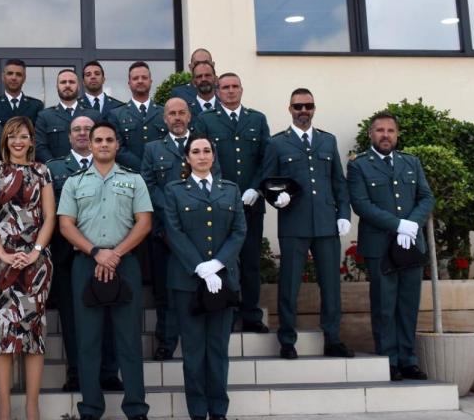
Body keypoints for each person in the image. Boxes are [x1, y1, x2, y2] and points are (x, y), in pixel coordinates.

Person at [58, 122, 152, 420]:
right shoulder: (74, 182)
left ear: (117, 145)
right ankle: (90, 409)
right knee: (88, 341)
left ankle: (136, 409)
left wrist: (115, 254)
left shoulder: (134, 180)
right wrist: (97, 253)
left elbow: (144, 222)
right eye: (97, 140)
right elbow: (65, 225)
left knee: (128, 340)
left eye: (108, 140)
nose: (102, 144)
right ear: (90, 144)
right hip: (86, 263)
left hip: (125, 262)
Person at [261, 88, 354, 360]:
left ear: (314, 109)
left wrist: (343, 214)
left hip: (326, 223)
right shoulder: (277, 143)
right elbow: (268, 181)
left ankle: (333, 338)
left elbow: (338, 180)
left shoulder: (327, 141)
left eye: (308, 106)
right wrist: (275, 199)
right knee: (289, 284)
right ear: (289, 109)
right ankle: (287, 339)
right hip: (294, 223)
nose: (304, 111)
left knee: (331, 285)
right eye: (298, 106)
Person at [347, 112, 435, 381]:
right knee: (384, 305)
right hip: (380, 245)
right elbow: (361, 204)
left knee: (408, 304)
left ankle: (408, 360)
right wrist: (398, 225)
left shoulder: (411, 162)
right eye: (380, 130)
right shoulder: (359, 165)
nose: (385, 135)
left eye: (390, 131)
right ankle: (389, 360)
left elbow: (426, 197)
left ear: (397, 135)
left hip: (410, 245)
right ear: (370, 135)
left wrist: (413, 224)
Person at [163, 137, 246, 420]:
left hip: (223, 281)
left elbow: (239, 231)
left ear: (213, 156)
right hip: (189, 281)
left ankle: (219, 411)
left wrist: (217, 263)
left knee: (218, 350)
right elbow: (173, 232)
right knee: (194, 352)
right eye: (195, 151)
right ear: (187, 158)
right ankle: (198, 412)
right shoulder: (174, 191)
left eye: (206, 151)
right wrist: (200, 267)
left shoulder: (230, 190)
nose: (201, 156)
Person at [0, 116, 55, 420]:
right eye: (13, 136)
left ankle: (32, 407)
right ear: (5, 140)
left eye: (23, 136)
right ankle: (5, 407)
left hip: (36, 262)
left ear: (32, 140)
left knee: (34, 333)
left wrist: (35, 252)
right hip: (0, 262)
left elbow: (50, 216)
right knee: (2, 331)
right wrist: (3, 254)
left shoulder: (42, 171)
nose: (18, 141)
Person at [46, 116, 122, 392]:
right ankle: (77, 372)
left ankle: (109, 372)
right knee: (73, 318)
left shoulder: (116, 170)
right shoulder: (54, 169)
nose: (81, 134)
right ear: (69, 137)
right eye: (76, 130)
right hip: (70, 257)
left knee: (111, 313)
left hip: (110, 256)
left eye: (87, 130)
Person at [192, 72, 271, 333]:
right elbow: (205, 159)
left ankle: (251, 314)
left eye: (235, 86)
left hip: (251, 203)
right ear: (217, 90)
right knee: (222, 258)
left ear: (242, 89)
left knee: (250, 260)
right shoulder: (206, 120)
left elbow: (265, 159)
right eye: (225, 87)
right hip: (220, 204)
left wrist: (256, 189)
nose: (230, 91)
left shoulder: (257, 119)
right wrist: (224, 193)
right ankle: (226, 308)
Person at [141, 97, 211, 361]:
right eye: (172, 113)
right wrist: (173, 209)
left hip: (198, 235)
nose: (178, 117)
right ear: (165, 118)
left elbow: (213, 180)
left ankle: (198, 340)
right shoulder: (152, 149)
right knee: (165, 291)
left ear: (190, 116)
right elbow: (147, 185)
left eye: (182, 112)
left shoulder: (202, 146)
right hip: (164, 233)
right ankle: (166, 341)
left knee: (197, 285)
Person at [108, 61, 169, 171]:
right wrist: (142, 167)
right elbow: (117, 148)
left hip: (160, 174)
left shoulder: (164, 112)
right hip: (129, 174)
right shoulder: (116, 115)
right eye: (135, 78)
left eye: (144, 78)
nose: (140, 81)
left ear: (150, 82)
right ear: (129, 83)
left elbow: (169, 143)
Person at [35, 68, 101, 164]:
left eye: (71, 82)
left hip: (89, 171)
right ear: (57, 87)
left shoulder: (94, 115)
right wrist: (55, 166)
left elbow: (100, 143)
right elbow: (40, 147)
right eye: (63, 82)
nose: (67, 85)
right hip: (57, 175)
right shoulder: (45, 116)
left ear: (78, 86)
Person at [0, 58, 44, 125]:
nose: (14, 78)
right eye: (10, 73)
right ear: (3, 77)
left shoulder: (36, 106)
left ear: (24, 78)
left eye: (18, 74)